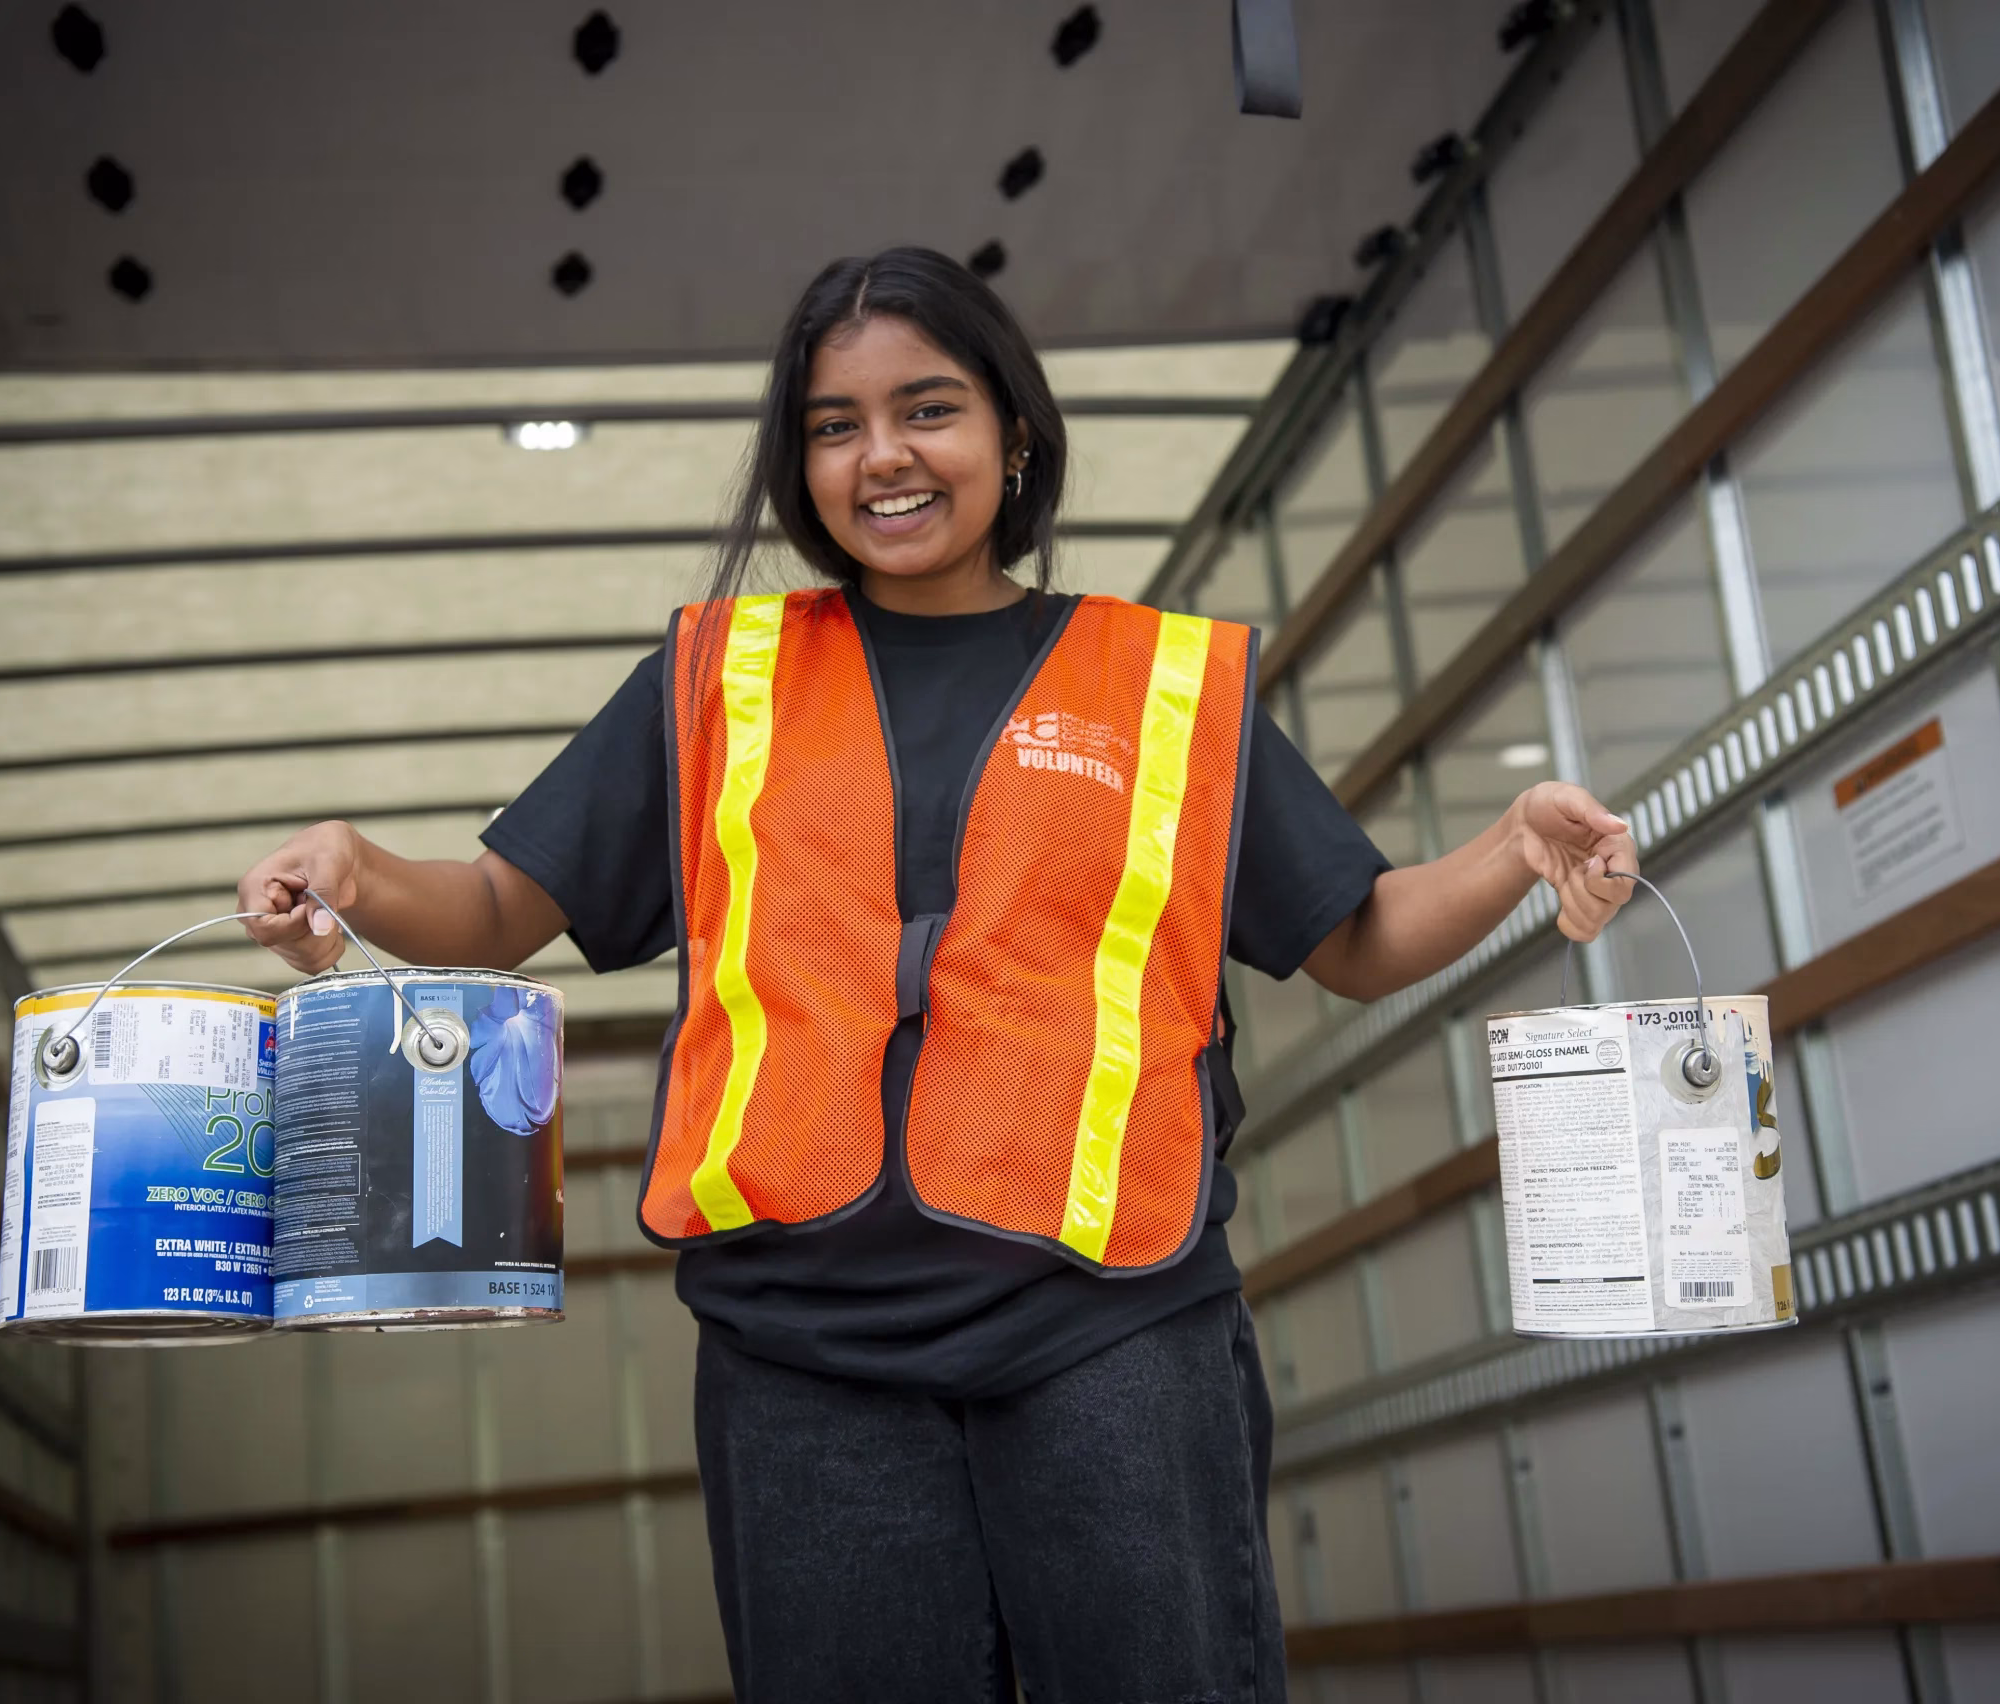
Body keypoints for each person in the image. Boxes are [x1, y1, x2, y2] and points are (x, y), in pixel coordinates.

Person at [238, 246, 1636, 1703]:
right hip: (803, 1355)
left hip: (1112, 1328)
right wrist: (355, 867)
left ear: (1013, 434)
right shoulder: (720, 681)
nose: (882, 457)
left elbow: (1354, 937)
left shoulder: (1154, 686)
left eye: (928, 409)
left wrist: (1512, 849)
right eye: (834, 426)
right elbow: (497, 906)